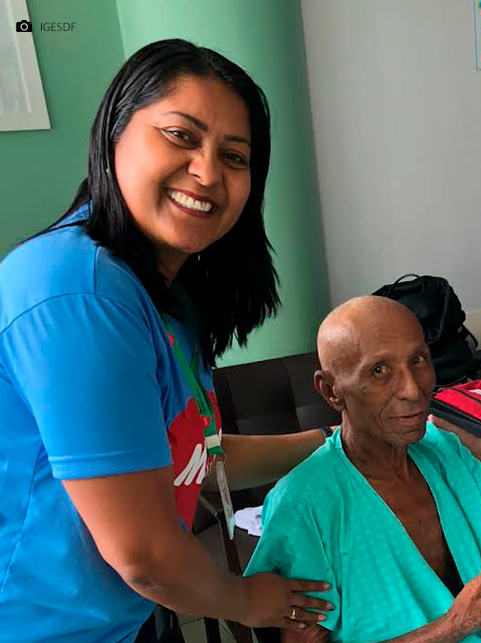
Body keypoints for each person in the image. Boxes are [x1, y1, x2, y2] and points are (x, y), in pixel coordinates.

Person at [0, 39, 334, 642]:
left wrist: (329, 441)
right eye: (181, 136)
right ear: (113, 134)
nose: (207, 172)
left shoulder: (162, 296)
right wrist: (244, 601)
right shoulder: (77, 291)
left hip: (125, 616)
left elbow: (190, 457)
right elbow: (144, 554)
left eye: (234, 156)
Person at [244, 296, 481, 643]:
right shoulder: (304, 506)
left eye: (418, 360)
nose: (413, 389)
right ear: (331, 391)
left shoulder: (441, 450)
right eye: (379, 370)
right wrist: (454, 626)